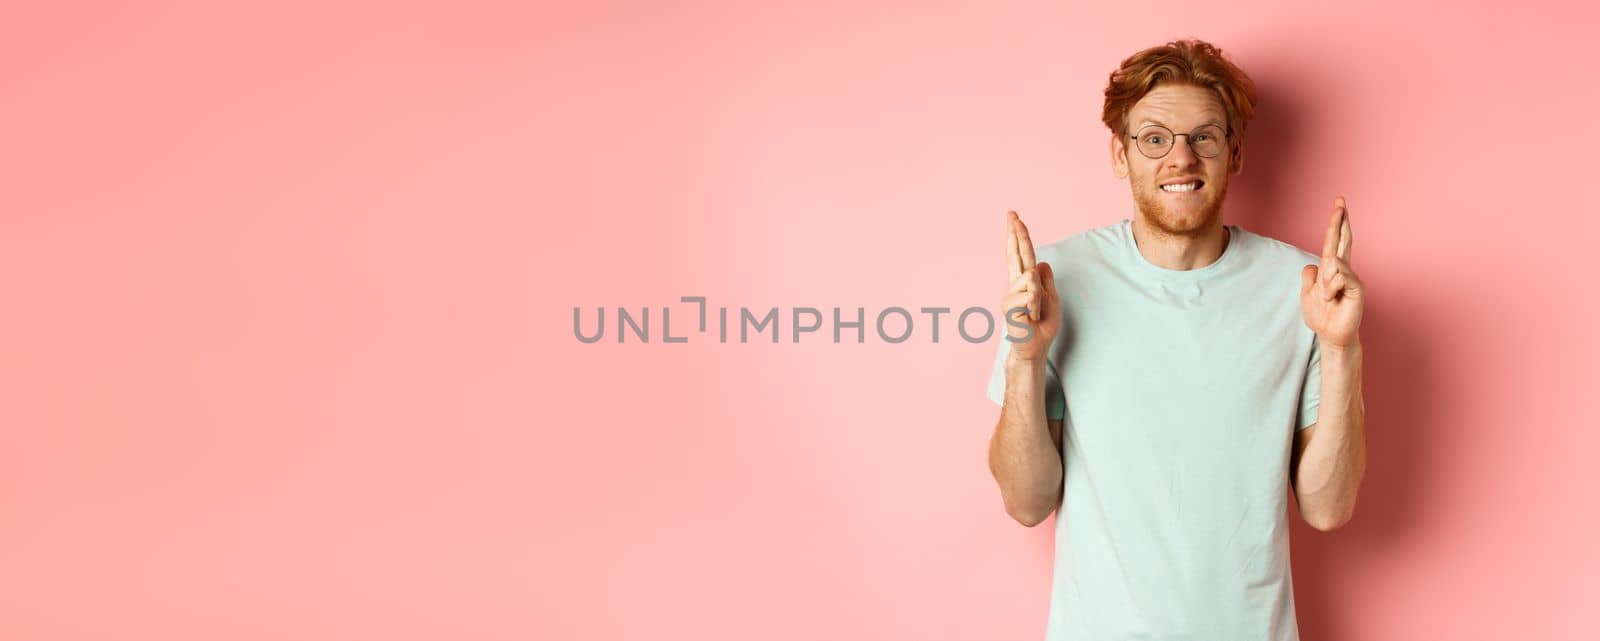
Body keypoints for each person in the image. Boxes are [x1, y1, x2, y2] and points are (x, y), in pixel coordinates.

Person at [985, 39, 1367, 641]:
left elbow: (1328, 508)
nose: (1180, 159)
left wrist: (1342, 349)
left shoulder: (1303, 291)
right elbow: (1027, 502)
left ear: (1234, 153)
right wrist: (1025, 359)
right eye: (1155, 138)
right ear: (1121, 155)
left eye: (1204, 137)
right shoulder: (1056, 283)